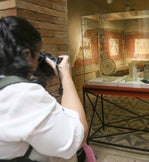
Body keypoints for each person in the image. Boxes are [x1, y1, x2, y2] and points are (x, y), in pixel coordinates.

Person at [0, 16, 88, 162]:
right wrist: (65, 76)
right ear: (27, 54)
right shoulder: (22, 95)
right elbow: (77, 137)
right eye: (37, 53)